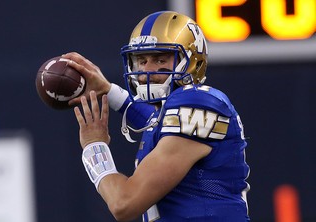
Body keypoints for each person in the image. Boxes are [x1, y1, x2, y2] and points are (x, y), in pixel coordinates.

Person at [63, 11, 250, 221]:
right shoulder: (175, 112)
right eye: (141, 61)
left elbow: (124, 203)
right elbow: (154, 121)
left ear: (192, 62)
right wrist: (108, 90)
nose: (146, 72)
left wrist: (94, 148)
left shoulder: (197, 102)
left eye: (160, 59)